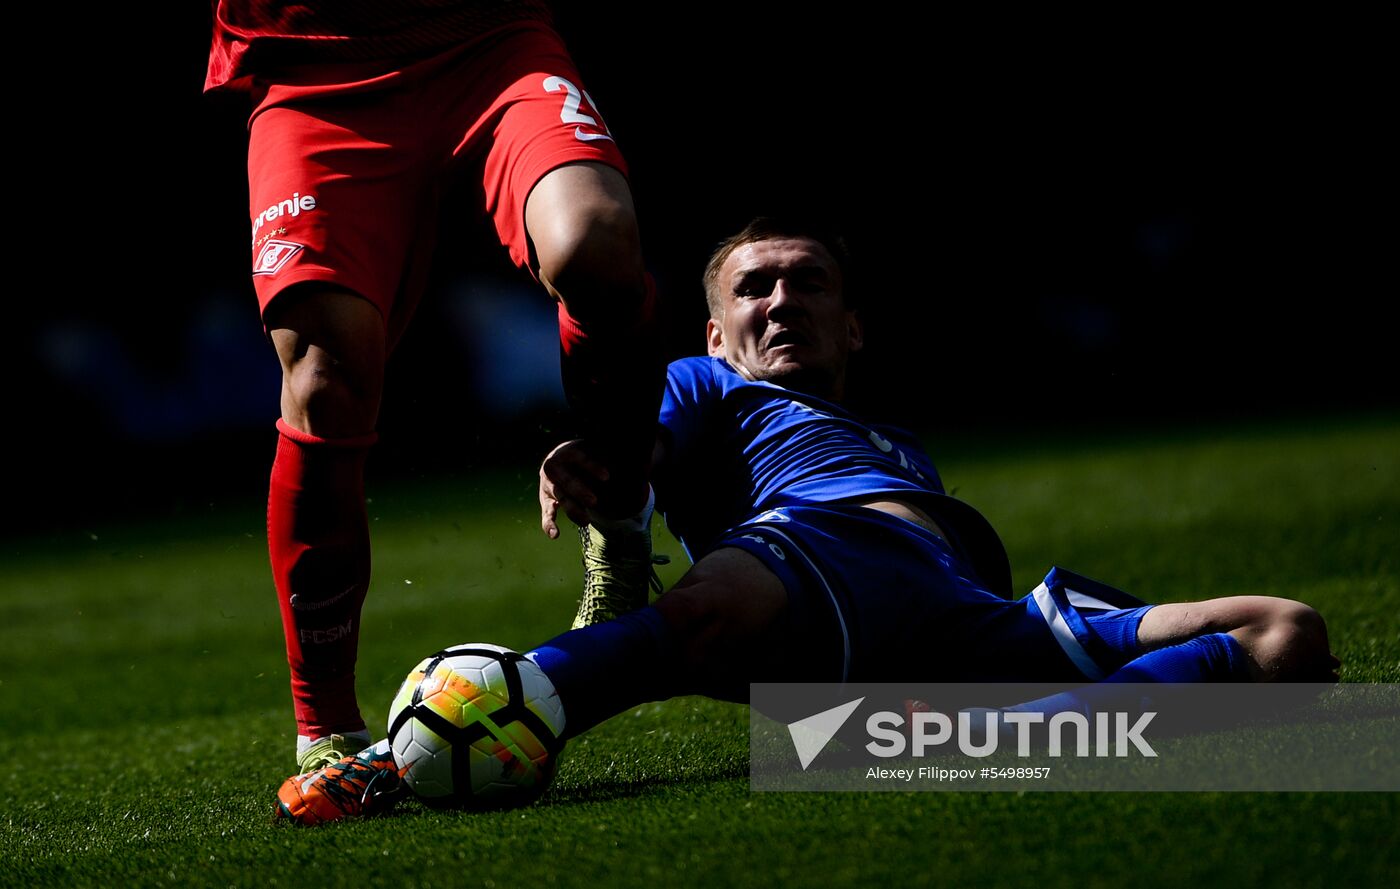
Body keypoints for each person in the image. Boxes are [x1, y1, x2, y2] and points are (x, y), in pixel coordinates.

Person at [274, 217, 1337, 824]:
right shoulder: (704, 384)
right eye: (754, 289)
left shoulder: (886, 440)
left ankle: (962, 745)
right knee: (729, 593)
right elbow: (639, 442)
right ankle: (455, 730)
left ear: (852, 322)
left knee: (1283, 635)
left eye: (806, 282)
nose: (780, 301)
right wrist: (601, 468)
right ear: (715, 328)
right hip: (813, 572)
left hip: (962, 621)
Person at [206, 1, 664, 777]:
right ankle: (325, 724)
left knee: (594, 244)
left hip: (487, 36)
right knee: (323, 370)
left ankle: (619, 521)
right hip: (314, 66)